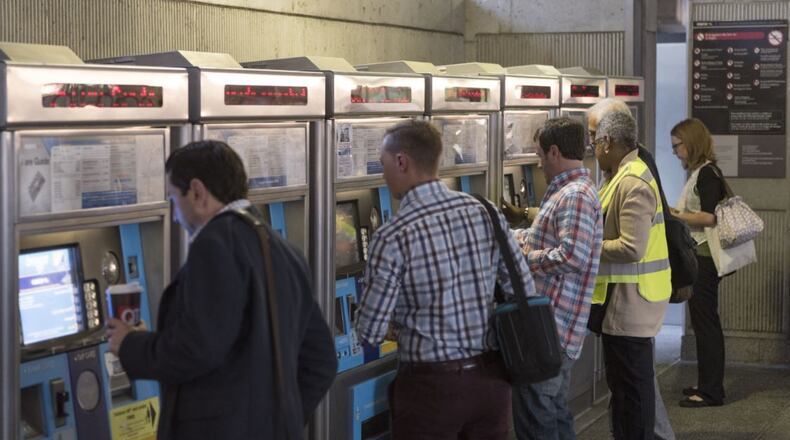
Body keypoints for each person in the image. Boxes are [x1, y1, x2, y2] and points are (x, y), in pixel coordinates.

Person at [106, 140, 337, 439]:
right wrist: (280, 421)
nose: (175, 215)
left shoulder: (215, 245)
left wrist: (129, 344)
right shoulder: (282, 248)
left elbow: (196, 349)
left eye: (174, 199)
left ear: (198, 192)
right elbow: (321, 361)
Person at [354, 119, 537, 440]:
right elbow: (522, 286)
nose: (382, 176)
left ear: (401, 161)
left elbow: (369, 331)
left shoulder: (393, 235)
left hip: (429, 389)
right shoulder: (485, 212)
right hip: (491, 382)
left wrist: (396, 324)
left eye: (383, 165)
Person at [588, 98, 677, 440]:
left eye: (594, 141)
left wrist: (586, 248)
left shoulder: (633, 181)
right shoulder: (621, 175)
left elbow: (631, 247)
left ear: (608, 142)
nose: (593, 149)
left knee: (634, 399)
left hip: (632, 307)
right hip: (623, 306)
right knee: (627, 395)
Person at [509, 117, 603, 440]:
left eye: (538, 155)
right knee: (555, 413)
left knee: (537, 418)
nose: (537, 164)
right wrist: (520, 239)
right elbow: (550, 240)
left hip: (552, 326)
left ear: (553, 152)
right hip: (555, 326)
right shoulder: (570, 191)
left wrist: (524, 257)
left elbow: (571, 255)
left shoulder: (574, 194)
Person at [669, 118, 727, 408]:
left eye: (677, 145)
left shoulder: (707, 175)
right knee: (704, 323)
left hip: (704, 259)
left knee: (706, 325)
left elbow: (709, 217)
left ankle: (711, 391)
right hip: (699, 256)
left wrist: (676, 215)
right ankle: (706, 384)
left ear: (691, 143)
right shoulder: (699, 173)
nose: (675, 151)